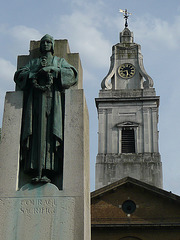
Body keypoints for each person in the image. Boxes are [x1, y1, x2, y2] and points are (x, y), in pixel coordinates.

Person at [14, 34, 78, 184]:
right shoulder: (34, 62)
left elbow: (72, 74)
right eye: (44, 42)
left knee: (51, 135)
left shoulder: (59, 61)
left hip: (53, 103)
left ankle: (49, 169)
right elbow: (19, 75)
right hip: (34, 104)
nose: (46, 45)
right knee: (35, 133)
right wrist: (33, 74)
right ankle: (34, 168)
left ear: (53, 46)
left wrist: (53, 70)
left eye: (49, 42)